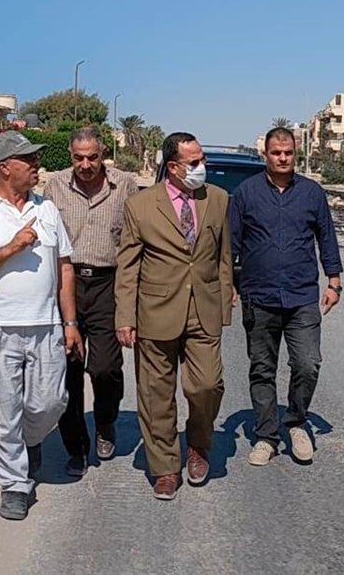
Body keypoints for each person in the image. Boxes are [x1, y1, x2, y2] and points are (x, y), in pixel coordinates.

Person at [0, 130, 83, 521]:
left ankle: (30, 438)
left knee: (51, 402)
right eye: (29, 160)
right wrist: (11, 247)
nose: (36, 165)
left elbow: (64, 267)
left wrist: (70, 322)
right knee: (2, 409)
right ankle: (14, 485)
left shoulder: (48, 210)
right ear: (5, 167)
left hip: (46, 324)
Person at [115, 132, 233, 501]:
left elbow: (223, 257)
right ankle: (165, 466)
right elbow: (128, 266)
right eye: (194, 162)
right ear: (173, 167)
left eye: (202, 159)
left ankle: (198, 444)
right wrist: (125, 316)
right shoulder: (140, 205)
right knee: (156, 395)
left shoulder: (218, 199)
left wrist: (224, 304)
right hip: (155, 312)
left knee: (207, 385)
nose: (202, 167)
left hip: (203, 310)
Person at [228, 126, 342, 466]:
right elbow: (231, 243)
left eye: (288, 153)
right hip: (258, 295)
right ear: (265, 154)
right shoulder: (246, 193)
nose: (282, 158)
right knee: (262, 368)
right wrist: (228, 282)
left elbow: (327, 237)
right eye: (276, 153)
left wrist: (334, 281)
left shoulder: (312, 193)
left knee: (308, 363)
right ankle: (266, 436)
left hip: (301, 295)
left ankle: (295, 422)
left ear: (296, 154)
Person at [44, 127, 139, 476]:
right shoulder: (55, 186)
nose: (85, 165)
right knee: (68, 371)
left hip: (107, 285)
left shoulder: (125, 185)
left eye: (92, 157)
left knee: (105, 368)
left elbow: (136, 240)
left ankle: (106, 422)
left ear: (103, 155)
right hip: (65, 284)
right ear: (71, 156)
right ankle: (76, 448)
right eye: (78, 158)